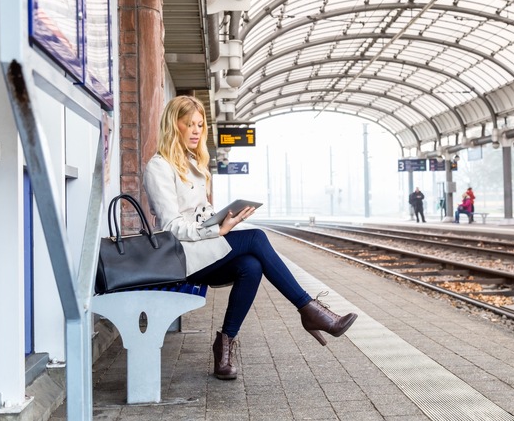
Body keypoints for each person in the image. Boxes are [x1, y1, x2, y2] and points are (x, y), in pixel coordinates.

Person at [143, 96, 357, 380]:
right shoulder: (159, 167)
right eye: (189, 124)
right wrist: (217, 230)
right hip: (182, 259)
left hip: (201, 252)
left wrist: (223, 218)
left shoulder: (193, 163)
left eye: (199, 124)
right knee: (256, 238)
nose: (196, 130)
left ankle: (225, 345)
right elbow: (172, 226)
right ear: (174, 125)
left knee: (252, 266)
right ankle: (309, 309)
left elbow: (198, 214)